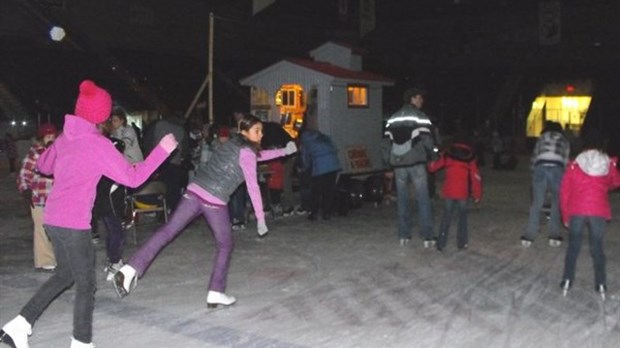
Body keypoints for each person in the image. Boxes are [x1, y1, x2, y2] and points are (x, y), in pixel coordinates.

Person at [0, 80, 177, 348]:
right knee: (86, 285)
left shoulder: (64, 138)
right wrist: (161, 151)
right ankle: (81, 342)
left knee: (65, 275)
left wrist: (62, 153)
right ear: (102, 115)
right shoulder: (98, 145)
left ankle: (18, 326)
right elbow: (132, 177)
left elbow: (45, 166)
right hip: (73, 224)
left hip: (54, 219)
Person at [112, 114, 297, 308]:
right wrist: (260, 218)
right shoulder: (247, 153)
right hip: (214, 200)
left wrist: (284, 151)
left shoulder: (232, 144)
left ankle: (130, 268)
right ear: (244, 132)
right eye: (257, 131)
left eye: (261, 131)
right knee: (225, 245)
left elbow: (259, 156)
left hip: (194, 192)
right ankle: (216, 291)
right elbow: (252, 186)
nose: (261, 135)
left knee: (167, 232)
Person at [559, 132, 620, 299]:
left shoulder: (574, 166)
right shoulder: (605, 164)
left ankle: (567, 280)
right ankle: (600, 283)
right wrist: (612, 166)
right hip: (598, 210)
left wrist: (565, 215)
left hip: (577, 210)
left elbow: (565, 192)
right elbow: (616, 182)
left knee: (574, 247)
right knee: (597, 248)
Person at [384, 87, 438, 247]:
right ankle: (427, 236)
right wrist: (433, 155)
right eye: (419, 98)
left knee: (402, 199)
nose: (422, 101)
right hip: (416, 162)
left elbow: (386, 143)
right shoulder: (420, 117)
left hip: (398, 164)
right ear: (412, 99)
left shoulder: (392, 118)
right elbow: (428, 140)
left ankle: (403, 235)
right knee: (423, 199)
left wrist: (388, 164)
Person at [16, 123, 58, 271]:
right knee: (41, 229)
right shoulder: (34, 153)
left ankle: (57, 257)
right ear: (41, 138)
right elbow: (23, 174)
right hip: (39, 198)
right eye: (47, 136)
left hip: (56, 199)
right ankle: (44, 260)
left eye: (52, 136)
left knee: (56, 230)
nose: (50, 139)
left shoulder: (59, 152)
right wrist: (25, 190)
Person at [521, 121, 570, 248]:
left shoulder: (542, 138)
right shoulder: (564, 141)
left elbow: (535, 156)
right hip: (557, 168)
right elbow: (565, 160)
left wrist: (533, 171)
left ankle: (529, 234)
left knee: (537, 202)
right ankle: (554, 234)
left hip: (541, 166)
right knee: (556, 201)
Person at [428, 140, 482, 251]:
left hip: (449, 191)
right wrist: (477, 194)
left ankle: (441, 243)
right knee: (462, 218)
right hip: (463, 192)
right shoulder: (469, 158)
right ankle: (462, 243)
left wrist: (430, 163)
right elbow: (475, 177)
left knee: (446, 216)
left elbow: (433, 168)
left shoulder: (448, 155)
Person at [299, 129, 341, 221]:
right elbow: (335, 148)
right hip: (333, 165)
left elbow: (305, 157)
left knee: (316, 191)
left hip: (320, 168)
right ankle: (327, 213)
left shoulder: (305, 141)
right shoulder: (323, 137)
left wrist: (304, 169)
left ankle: (314, 213)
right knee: (329, 191)